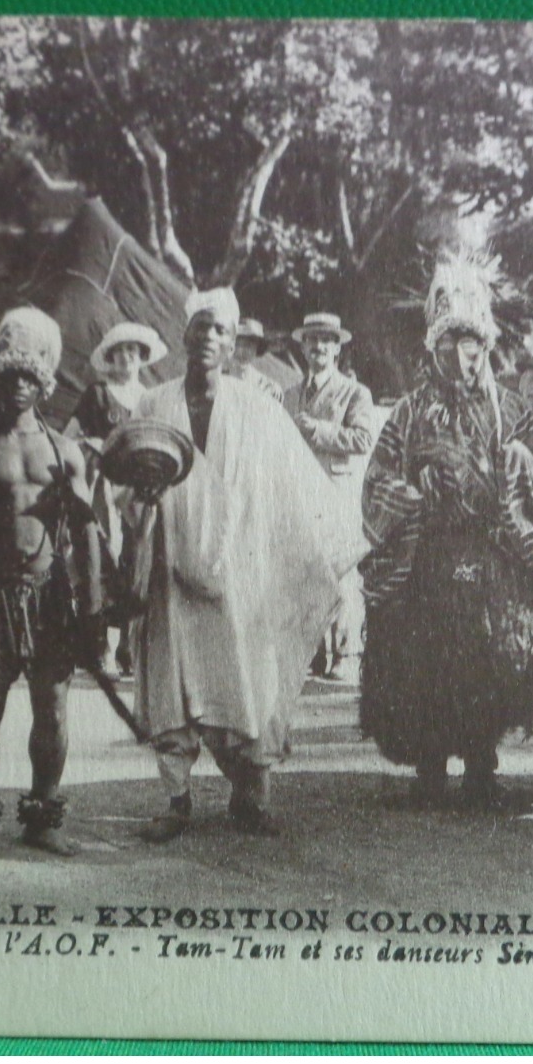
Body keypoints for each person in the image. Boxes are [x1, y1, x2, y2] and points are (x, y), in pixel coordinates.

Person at [127, 288, 366, 841]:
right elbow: (127, 482)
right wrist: (141, 503)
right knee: (174, 679)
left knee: (245, 679)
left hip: (238, 570)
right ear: (185, 334)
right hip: (170, 568)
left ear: (234, 344)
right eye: (201, 328)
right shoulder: (154, 405)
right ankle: (176, 798)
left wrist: (313, 550)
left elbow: (291, 484)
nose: (209, 339)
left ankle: (248, 795)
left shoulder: (258, 408)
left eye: (221, 332)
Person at [359, 255, 533, 807]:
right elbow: (378, 477)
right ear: (433, 347)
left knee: (486, 664)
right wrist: (413, 489)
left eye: (471, 343)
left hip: (492, 553)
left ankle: (481, 769)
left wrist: (514, 474)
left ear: (487, 346)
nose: (461, 355)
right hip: (426, 555)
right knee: (426, 663)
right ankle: (430, 772)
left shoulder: (511, 410)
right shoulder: (408, 413)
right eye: (449, 343)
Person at [0, 307, 99, 864]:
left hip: (50, 589)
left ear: (43, 384)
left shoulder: (67, 452)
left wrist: (94, 606)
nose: (18, 387)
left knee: (52, 709)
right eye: (8, 377)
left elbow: (86, 533)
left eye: (29, 377)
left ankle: (42, 818)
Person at [66, 322, 165, 677]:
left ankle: (128, 645)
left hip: (136, 488)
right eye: (119, 352)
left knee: (137, 561)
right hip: (99, 486)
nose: (126, 358)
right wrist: (92, 447)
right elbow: (69, 437)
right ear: (109, 358)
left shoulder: (149, 397)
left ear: (142, 359)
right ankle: (98, 647)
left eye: (133, 352)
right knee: (98, 559)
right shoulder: (97, 394)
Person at [285, 312, 374, 680]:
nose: (318, 346)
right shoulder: (289, 394)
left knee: (342, 572)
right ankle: (311, 653)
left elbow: (364, 439)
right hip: (300, 496)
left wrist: (320, 430)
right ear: (303, 346)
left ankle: (347, 653)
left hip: (337, 494)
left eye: (326, 340)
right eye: (312, 339)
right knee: (304, 570)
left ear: (337, 348)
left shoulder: (355, 392)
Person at [225, 317, 285, 402]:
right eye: (237, 344)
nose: (241, 351)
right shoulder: (214, 376)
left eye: (249, 345)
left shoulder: (265, 385)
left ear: (258, 348)